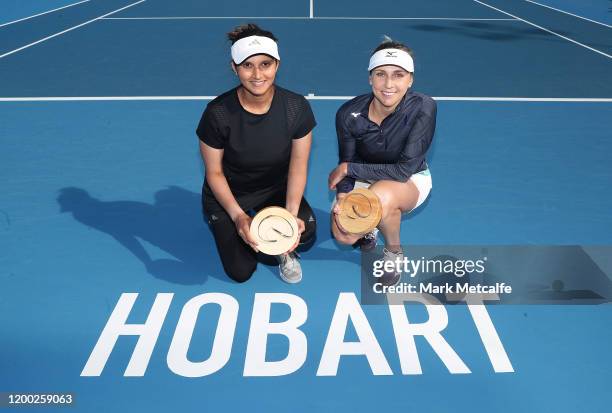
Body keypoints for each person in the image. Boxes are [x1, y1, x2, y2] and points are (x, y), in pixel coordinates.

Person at [196, 24, 317, 284]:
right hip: (230, 191)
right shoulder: (217, 113)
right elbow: (214, 172)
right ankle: (231, 223)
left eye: (265, 64)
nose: (257, 74)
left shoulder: (296, 108)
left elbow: (298, 165)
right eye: (247, 65)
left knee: (305, 231)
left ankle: (284, 251)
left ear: (277, 65)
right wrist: (239, 217)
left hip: (273, 187)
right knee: (240, 272)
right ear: (234, 67)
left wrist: (290, 216)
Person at [328, 37, 436, 285]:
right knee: (344, 235)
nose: (388, 84)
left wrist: (348, 169)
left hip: (409, 179)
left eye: (398, 75)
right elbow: (347, 158)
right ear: (370, 78)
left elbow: (403, 169)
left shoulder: (424, 107)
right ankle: (371, 226)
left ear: (410, 80)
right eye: (380, 74)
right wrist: (344, 195)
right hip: (363, 176)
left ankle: (394, 252)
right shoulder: (348, 114)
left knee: (380, 197)